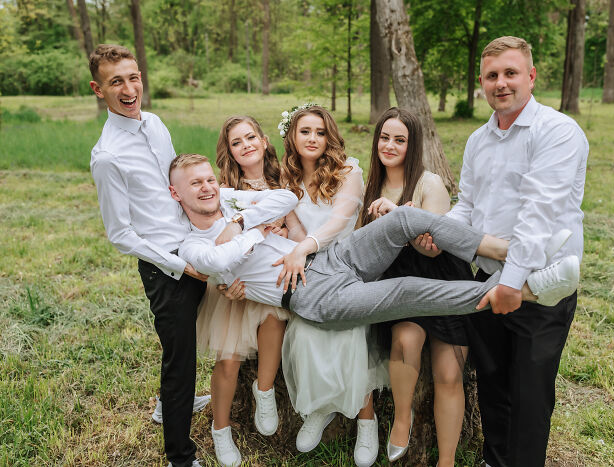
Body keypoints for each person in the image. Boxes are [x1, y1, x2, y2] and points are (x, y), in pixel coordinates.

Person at [170, 154, 579, 340]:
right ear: (176, 194)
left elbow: (283, 198)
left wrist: (241, 221)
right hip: (311, 296)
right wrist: (257, 231)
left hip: (329, 258)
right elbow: (220, 258)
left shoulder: (232, 206)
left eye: (210, 180)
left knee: (402, 219)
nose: (208, 188)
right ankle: (530, 290)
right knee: (405, 290)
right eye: (195, 184)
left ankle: (513, 252)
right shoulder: (190, 246)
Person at [445, 36, 589, 467]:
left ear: (531, 76)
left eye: (511, 73)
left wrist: (511, 283)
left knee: (529, 394)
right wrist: (437, 231)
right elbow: (468, 206)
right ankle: (494, 460)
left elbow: (539, 212)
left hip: (538, 286)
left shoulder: (558, 131)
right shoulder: (478, 140)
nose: (501, 83)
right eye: (492, 75)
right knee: (492, 384)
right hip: (487, 279)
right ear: (481, 82)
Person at [88, 44, 209, 467]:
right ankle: (180, 456)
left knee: (181, 344)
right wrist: (180, 266)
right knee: (181, 360)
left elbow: (178, 183)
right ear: (98, 90)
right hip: (164, 267)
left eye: (133, 77)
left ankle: (164, 405)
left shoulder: (155, 123)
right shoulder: (107, 157)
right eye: (115, 82)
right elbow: (120, 234)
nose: (128, 89)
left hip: (192, 243)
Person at [359, 107, 474, 465]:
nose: (389, 146)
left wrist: (401, 219)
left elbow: (434, 247)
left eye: (400, 140)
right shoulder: (370, 187)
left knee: (449, 374)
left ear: (413, 145)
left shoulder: (429, 183)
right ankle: (402, 418)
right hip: (400, 285)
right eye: (384, 137)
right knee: (406, 339)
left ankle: (446, 461)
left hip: (441, 280)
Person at [275, 105, 385, 467]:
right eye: (305, 131)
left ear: (330, 137)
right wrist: (296, 245)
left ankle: (366, 417)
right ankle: (321, 408)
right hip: (311, 266)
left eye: (320, 132)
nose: (312, 138)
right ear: (292, 136)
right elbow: (295, 227)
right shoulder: (286, 177)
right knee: (305, 332)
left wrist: (303, 249)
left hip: (347, 265)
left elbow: (339, 222)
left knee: (349, 332)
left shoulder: (348, 171)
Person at [196, 116, 298, 467]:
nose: (246, 146)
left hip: (270, 277)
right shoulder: (225, 190)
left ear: (265, 140)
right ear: (230, 151)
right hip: (236, 284)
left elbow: (297, 228)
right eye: (236, 142)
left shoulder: (285, 178)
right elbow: (212, 244)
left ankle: (264, 389)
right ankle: (220, 429)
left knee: (274, 318)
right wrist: (223, 286)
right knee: (228, 359)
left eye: (250, 137)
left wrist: (284, 234)